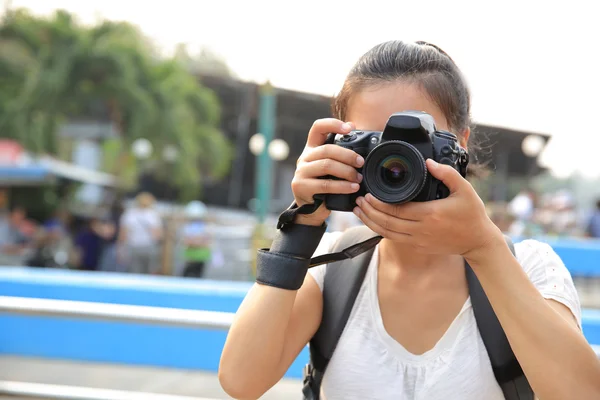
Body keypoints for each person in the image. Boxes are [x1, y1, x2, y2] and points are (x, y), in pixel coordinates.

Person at [218, 41, 600, 399]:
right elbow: (241, 380)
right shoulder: (332, 270)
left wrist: (483, 248)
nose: (394, 163)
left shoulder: (530, 268)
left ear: (460, 145)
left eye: (415, 142)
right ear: (338, 147)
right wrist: (301, 225)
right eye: (374, 142)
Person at [118, 192, 163, 274]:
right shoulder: (153, 215)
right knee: (150, 272)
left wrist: (120, 249)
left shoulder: (130, 214)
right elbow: (157, 235)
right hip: (149, 247)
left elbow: (123, 234)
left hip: (133, 246)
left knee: (134, 272)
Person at [181, 201, 212, 278]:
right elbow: (187, 241)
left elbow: (206, 241)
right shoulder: (191, 227)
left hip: (198, 256)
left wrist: (195, 242)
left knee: (195, 274)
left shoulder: (203, 227)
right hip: (192, 256)